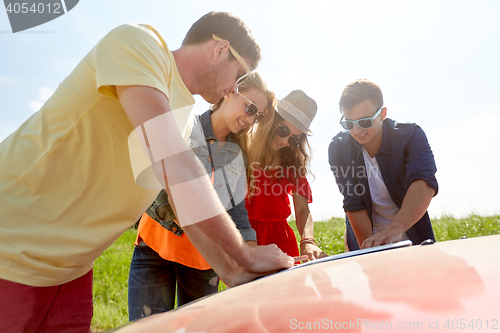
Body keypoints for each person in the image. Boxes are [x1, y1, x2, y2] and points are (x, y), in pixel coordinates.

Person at [0, 12, 293, 333]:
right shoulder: (139, 42)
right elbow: (173, 162)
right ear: (221, 49)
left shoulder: (177, 112)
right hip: (12, 249)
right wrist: (245, 255)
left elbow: (184, 206)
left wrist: (231, 270)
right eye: (238, 76)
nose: (232, 89)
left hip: (72, 271)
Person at [128, 72, 274, 320]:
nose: (251, 120)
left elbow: (237, 212)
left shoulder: (239, 156)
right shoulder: (184, 126)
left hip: (205, 264)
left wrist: (253, 259)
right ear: (229, 91)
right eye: (250, 108)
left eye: (257, 116)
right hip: (153, 249)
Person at [328, 79, 438, 251]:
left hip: (412, 239)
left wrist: (395, 230)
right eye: (349, 123)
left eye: (364, 122)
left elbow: (423, 183)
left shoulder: (411, 136)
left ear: (382, 113)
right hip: (366, 240)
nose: (357, 131)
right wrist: (369, 250)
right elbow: (353, 202)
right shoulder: (338, 148)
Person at [245, 90, 327, 261]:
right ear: (271, 120)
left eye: (294, 139)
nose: (285, 141)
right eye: (283, 130)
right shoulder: (243, 149)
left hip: (281, 241)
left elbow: (303, 209)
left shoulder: (293, 163)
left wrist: (307, 240)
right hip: (245, 235)